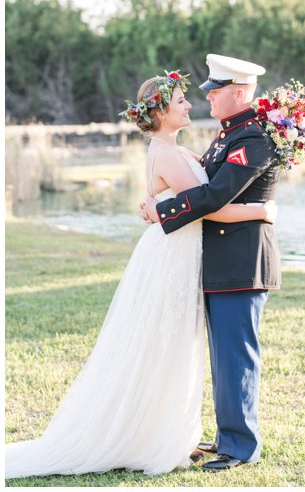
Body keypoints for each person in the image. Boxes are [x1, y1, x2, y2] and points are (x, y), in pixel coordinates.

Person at [5, 71, 276, 479]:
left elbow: (200, 197)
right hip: (177, 255)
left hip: (194, 256)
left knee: (192, 348)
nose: (192, 105)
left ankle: (224, 440)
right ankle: (179, 435)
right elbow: (209, 203)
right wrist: (262, 211)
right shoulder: (175, 150)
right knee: (169, 348)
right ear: (162, 112)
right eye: (182, 101)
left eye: (202, 95)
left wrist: (160, 206)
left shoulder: (200, 144)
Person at [142, 54, 282, 472]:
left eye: (216, 92)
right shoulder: (227, 137)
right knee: (223, 354)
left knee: (237, 354)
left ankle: (240, 445)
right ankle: (227, 434)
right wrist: (159, 203)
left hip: (242, 262)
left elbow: (216, 196)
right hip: (220, 261)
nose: (209, 99)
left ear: (239, 93)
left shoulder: (252, 138)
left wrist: (163, 210)